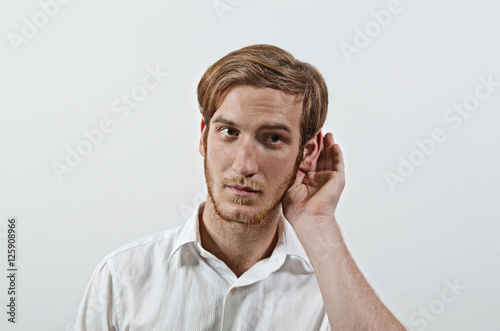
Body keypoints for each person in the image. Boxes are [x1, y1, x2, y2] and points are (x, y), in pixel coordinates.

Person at [75, 44, 407, 330]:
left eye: (272, 138)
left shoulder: (333, 290)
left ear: (307, 153)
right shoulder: (121, 278)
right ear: (204, 137)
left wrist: (319, 224)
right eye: (229, 132)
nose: (244, 165)